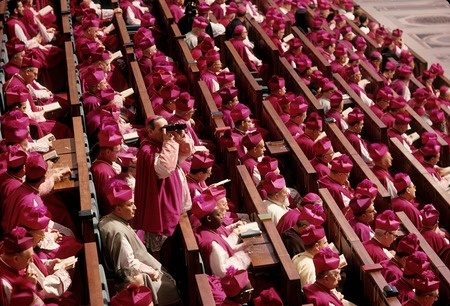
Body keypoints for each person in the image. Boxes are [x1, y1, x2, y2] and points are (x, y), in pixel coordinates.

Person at [98, 180, 181, 305]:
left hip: (141, 269)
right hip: (136, 278)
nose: (135, 207)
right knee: (169, 287)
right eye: (130, 205)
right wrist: (151, 272)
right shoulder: (117, 233)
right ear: (119, 209)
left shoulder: (109, 219)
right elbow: (128, 264)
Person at [134, 115, 195, 252]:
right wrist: (169, 143)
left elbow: (185, 153)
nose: (165, 132)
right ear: (150, 132)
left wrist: (180, 137)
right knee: (165, 250)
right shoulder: (147, 149)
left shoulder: (161, 143)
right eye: (162, 129)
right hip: (160, 203)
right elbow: (164, 169)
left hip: (172, 197)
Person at [193, 194, 251, 277]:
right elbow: (223, 271)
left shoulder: (207, 229)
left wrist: (243, 246)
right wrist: (244, 254)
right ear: (209, 219)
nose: (222, 217)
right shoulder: (211, 243)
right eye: (218, 215)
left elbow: (225, 245)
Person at [91, 125, 123, 216]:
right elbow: (109, 203)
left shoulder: (103, 163)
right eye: (117, 151)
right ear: (108, 152)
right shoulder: (104, 173)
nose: (119, 154)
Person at [0, 227, 35, 305]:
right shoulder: (3, 283)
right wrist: (29, 285)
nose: (32, 261)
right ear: (16, 259)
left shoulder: (13, 263)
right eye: (29, 258)